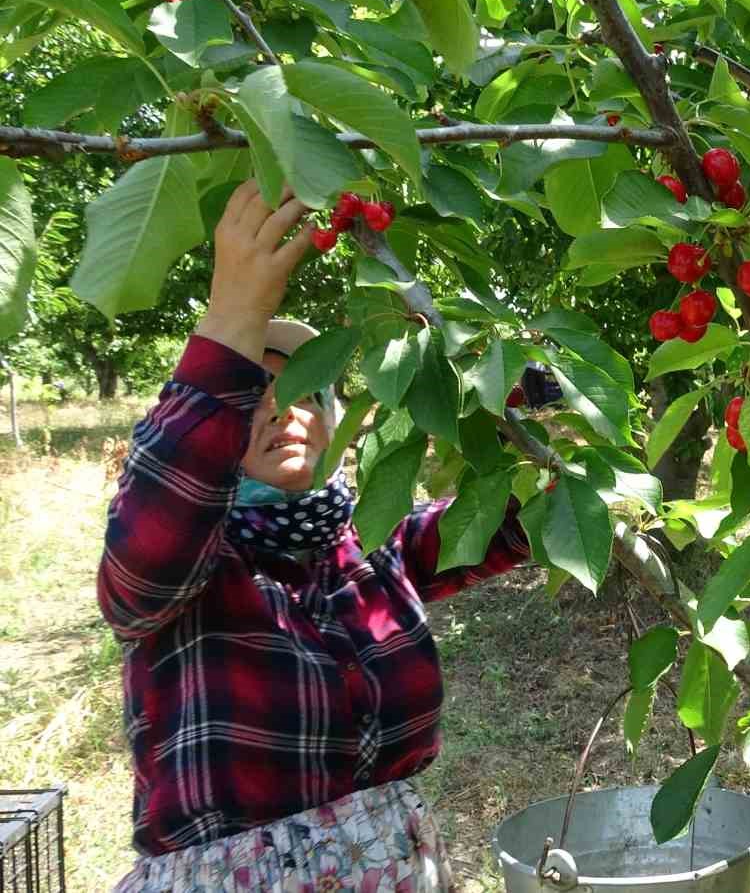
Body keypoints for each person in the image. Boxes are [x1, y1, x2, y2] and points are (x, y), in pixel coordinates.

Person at [99, 180, 532, 892]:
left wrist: (528, 401)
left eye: (303, 393)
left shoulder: (370, 544)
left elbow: (519, 519)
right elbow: (157, 530)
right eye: (253, 400)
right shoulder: (188, 568)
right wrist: (233, 314)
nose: (282, 414)